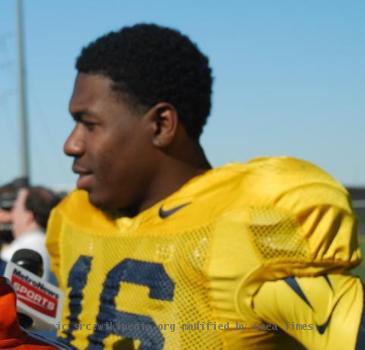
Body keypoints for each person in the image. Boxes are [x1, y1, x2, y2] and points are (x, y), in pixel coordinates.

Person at [46, 23, 364, 349]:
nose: (71, 144)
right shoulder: (73, 219)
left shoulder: (252, 227)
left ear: (161, 125)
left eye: (89, 124)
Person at [2, 187, 60, 281]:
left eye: (15, 207)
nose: (11, 214)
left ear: (29, 217)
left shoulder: (19, 251)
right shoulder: (54, 249)